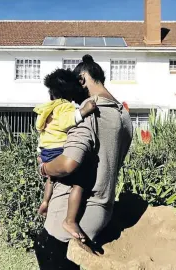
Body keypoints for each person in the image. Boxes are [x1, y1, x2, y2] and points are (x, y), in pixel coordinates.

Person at [34, 54, 133, 269]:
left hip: (72, 216)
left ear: (82, 80)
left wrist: (43, 168)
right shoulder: (124, 116)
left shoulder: (89, 111)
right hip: (103, 210)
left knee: (45, 248)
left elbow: (68, 163)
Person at [34, 69, 98, 240]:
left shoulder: (47, 108)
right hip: (58, 150)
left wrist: (39, 152)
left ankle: (46, 202)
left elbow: (43, 132)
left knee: (51, 178)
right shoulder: (64, 106)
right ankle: (70, 220)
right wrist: (84, 111)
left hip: (46, 151)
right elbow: (66, 121)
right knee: (80, 182)